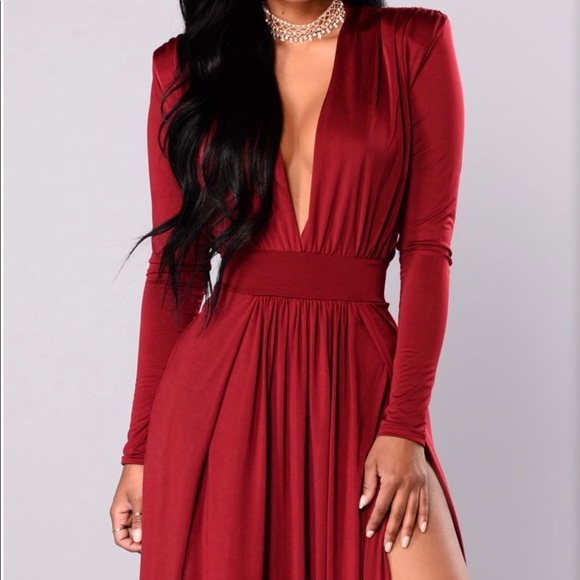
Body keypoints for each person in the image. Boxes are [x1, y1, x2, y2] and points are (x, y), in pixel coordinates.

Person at [109, 1, 469, 578]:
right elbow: (174, 272)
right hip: (220, 399)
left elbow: (428, 249)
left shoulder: (411, 44)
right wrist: (141, 450)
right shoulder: (184, 69)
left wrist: (404, 426)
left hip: (361, 383)